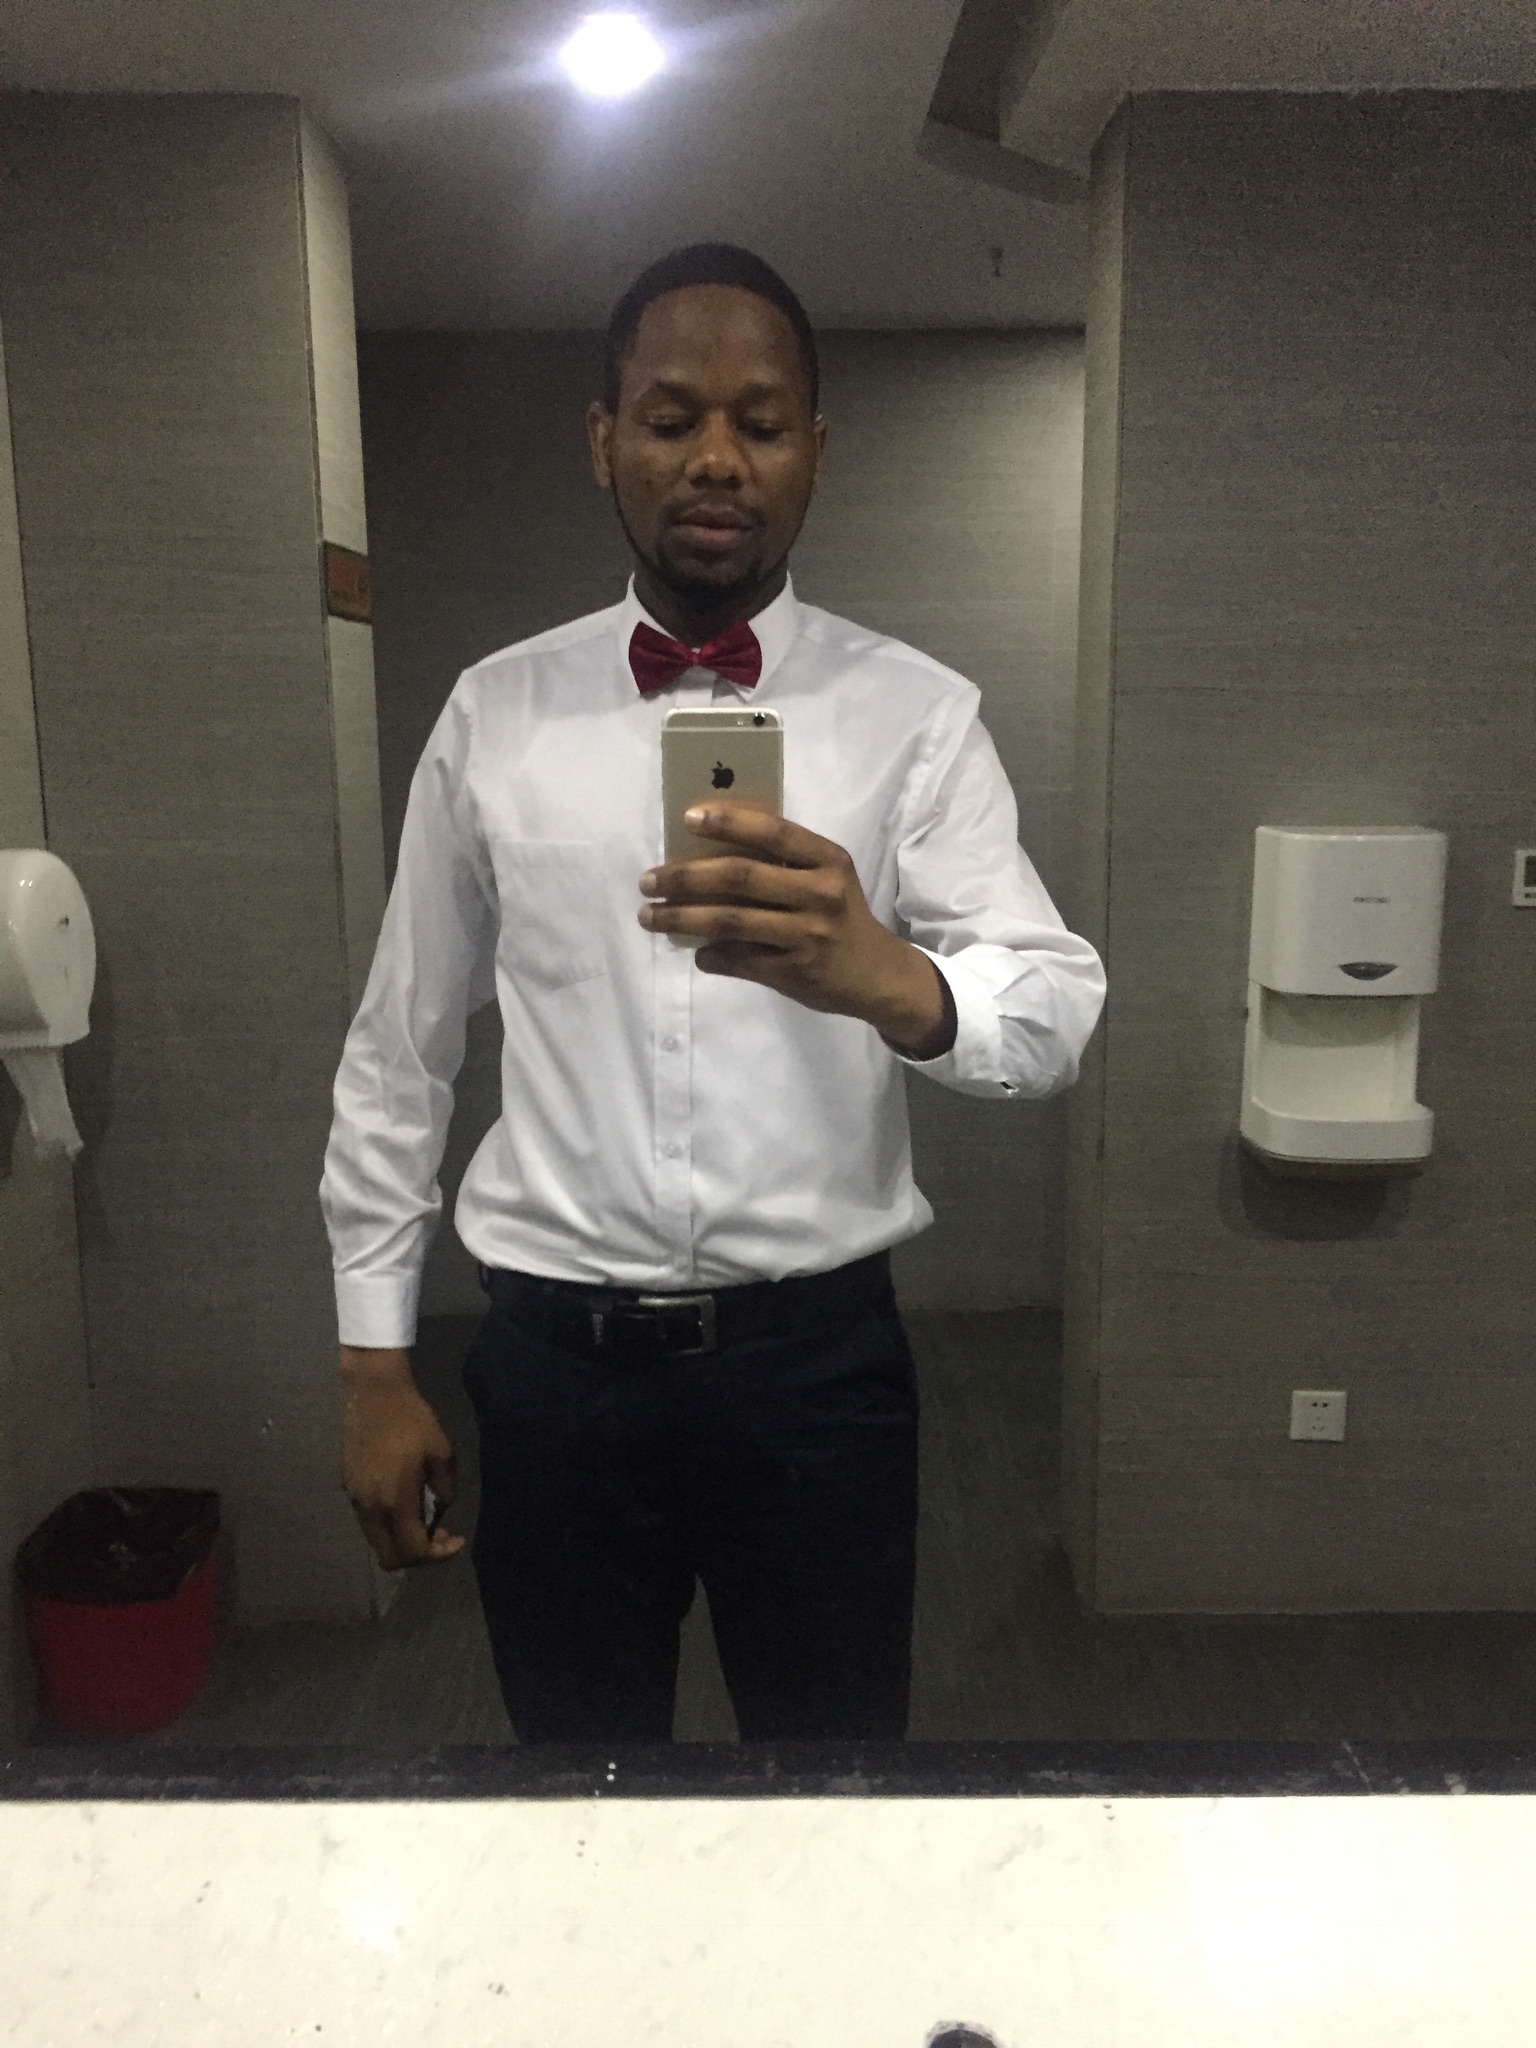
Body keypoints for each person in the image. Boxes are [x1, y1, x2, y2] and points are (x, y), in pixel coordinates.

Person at [321, 242, 1105, 1744]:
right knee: (575, 1790)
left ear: (818, 449)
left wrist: (890, 977)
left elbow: (1055, 1011)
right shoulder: (495, 712)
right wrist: (373, 1362)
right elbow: (400, 1052)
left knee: (831, 1783)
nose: (718, 459)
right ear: (603, 440)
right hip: (551, 1373)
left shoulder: (917, 716)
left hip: (816, 1379)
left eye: (763, 421)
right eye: (673, 418)